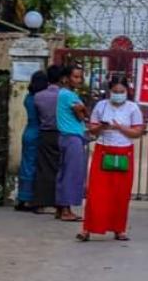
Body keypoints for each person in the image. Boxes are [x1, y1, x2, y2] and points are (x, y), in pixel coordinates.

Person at [77, 76, 145, 242]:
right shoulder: (101, 106)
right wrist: (102, 126)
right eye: (115, 92)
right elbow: (92, 130)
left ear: (127, 92)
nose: (118, 94)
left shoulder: (133, 108)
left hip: (123, 151)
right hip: (103, 150)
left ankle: (119, 229)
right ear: (109, 91)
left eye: (121, 92)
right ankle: (88, 228)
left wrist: (120, 127)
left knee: (120, 193)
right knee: (96, 192)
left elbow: (137, 132)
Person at [55, 65, 89, 222]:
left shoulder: (62, 94)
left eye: (80, 77)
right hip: (73, 137)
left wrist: (83, 109)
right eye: (75, 77)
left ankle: (60, 207)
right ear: (66, 78)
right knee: (72, 173)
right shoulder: (69, 95)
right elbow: (81, 115)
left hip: (64, 136)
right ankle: (66, 210)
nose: (78, 80)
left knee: (64, 172)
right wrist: (84, 110)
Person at [16, 71, 49, 211]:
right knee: (36, 165)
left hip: (28, 131)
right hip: (39, 132)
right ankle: (32, 198)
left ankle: (22, 197)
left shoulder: (28, 97)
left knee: (26, 164)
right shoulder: (41, 99)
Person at [33, 65, 63, 214]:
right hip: (62, 133)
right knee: (61, 168)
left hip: (45, 133)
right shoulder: (65, 95)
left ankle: (40, 202)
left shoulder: (38, 96)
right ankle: (60, 203)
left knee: (44, 168)